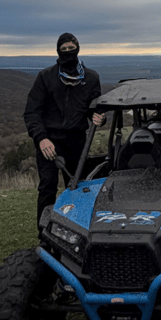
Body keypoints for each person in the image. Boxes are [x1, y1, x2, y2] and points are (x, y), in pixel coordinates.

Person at [23, 32, 106, 235]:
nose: (68, 52)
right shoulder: (46, 77)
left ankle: (80, 233)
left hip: (77, 141)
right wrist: (41, 139)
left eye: (72, 48)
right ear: (58, 50)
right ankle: (44, 235)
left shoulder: (91, 78)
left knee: (79, 189)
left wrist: (99, 118)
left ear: (78, 49)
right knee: (48, 188)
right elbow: (32, 112)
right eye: (64, 49)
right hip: (49, 141)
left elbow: (94, 109)